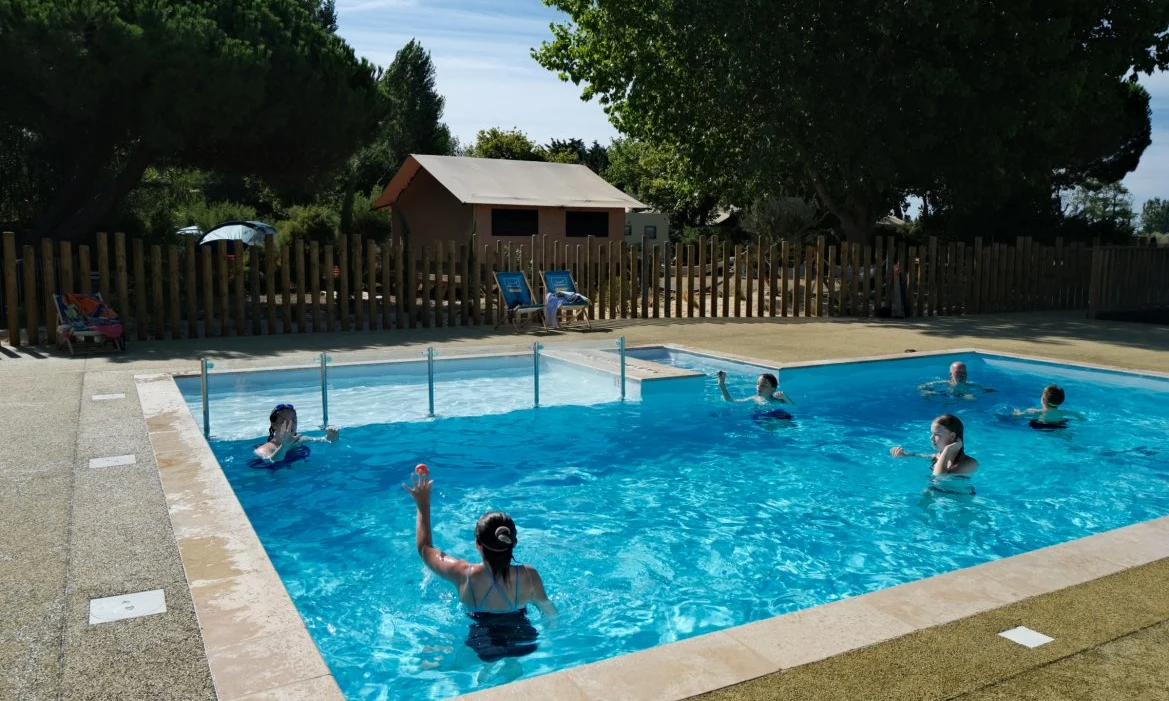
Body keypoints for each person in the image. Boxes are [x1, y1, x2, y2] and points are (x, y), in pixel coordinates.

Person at [403, 467, 556, 663]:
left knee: (430, 664)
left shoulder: (463, 574)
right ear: (513, 543)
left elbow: (424, 549)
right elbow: (549, 613)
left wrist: (422, 504)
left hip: (482, 640)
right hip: (524, 636)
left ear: (478, 545)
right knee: (512, 661)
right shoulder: (529, 575)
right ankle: (511, 664)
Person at [890, 414, 978, 493]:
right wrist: (905, 455)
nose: (931, 438)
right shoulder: (938, 457)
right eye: (932, 433)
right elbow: (924, 456)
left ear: (952, 436)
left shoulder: (969, 463)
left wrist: (947, 450)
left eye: (937, 434)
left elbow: (938, 478)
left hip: (959, 505)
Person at [253, 403, 339, 463]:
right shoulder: (263, 450)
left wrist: (332, 437)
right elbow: (271, 461)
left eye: (293, 420)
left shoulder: (301, 440)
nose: (290, 425)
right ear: (274, 425)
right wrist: (284, 447)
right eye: (284, 421)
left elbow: (323, 440)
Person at [1012, 384, 1083, 430]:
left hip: (1041, 426)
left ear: (1043, 400)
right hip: (1059, 426)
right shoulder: (1063, 413)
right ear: (1062, 401)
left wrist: (1016, 412)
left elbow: (1017, 416)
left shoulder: (1036, 412)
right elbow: (1078, 416)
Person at [919, 361, 994, 399]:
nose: (961, 375)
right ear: (950, 374)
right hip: (945, 396)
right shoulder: (944, 383)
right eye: (957, 372)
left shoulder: (973, 385)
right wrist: (928, 392)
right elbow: (921, 387)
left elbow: (987, 390)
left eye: (964, 372)